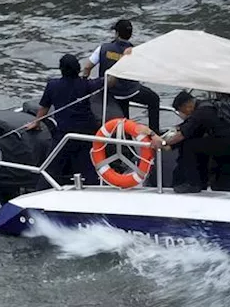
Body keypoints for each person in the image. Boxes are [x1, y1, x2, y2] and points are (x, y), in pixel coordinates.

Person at [27, 54, 107, 185]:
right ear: (77, 68)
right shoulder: (86, 85)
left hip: (64, 136)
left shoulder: (52, 86)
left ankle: (40, 192)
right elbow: (109, 81)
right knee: (89, 170)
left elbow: (44, 108)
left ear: (61, 69)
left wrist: (36, 122)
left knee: (49, 170)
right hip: (87, 135)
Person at [83, 19, 161, 133]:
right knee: (154, 99)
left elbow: (87, 67)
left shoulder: (103, 48)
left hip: (110, 93)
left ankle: (126, 144)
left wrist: (85, 84)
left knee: (124, 121)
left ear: (117, 33)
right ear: (130, 35)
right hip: (130, 91)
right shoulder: (134, 51)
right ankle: (154, 132)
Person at [163, 92, 230, 194]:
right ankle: (202, 181)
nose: (184, 114)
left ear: (186, 106)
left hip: (227, 143)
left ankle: (193, 184)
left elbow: (183, 134)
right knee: (200, 144)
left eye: (182, 111)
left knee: (190, 146)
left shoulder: (200, 112)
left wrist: (164, 143)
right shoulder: (208, 105)